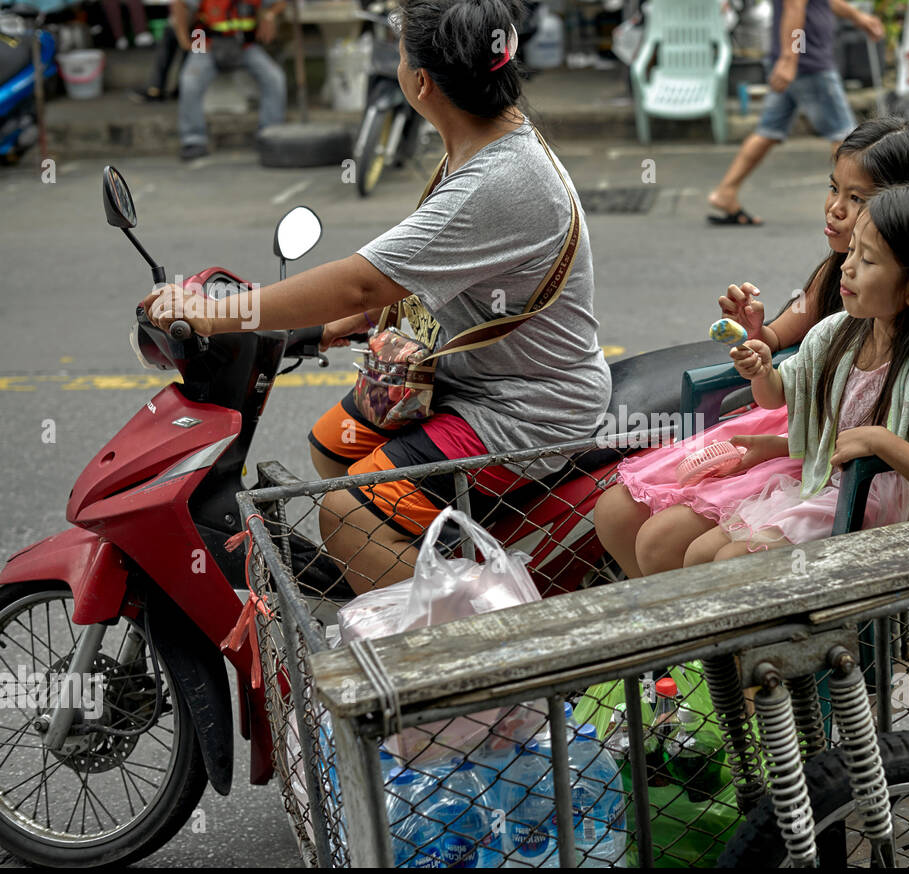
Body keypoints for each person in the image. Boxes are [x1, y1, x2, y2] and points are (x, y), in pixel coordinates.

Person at [145, 0, 611, 591]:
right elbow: (420, 277)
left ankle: (450, 656)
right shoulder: (488, 142)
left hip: (523, 409)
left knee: (346, 512)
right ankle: (430, 568)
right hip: (476, 379)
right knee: (331, 442)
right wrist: (350, 321)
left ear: (421, 81)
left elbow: (363, 278)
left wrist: (213, 316)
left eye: (398, 55)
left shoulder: (496, 180)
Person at [594, 116, 909, 577]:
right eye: (833, 188)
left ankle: (708, 641)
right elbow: (779, 342)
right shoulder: (836, 274)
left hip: (828, 451)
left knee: (664, 542)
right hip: (791, 414)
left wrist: (784, 444)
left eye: (857, 198)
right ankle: (678, 637)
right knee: (615, 512)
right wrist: (752, 332)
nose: (835, 209)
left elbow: (896, 438)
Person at [685, 184, 909, 564]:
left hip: (882, 511)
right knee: (700, 557)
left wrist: (881, 441)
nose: (847, 267)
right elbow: (777, 395)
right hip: (827, 486)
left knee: (731, 563)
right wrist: (762, 370)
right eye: (852, 250)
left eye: (867, 260)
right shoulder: (837, 332)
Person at [706, 0, 885, 226]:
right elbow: (794, 5)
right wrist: (790, 59)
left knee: (768, 131)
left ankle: (726, 191)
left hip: (797, 62)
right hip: (808, 63)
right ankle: (856, 205)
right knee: (845, 137)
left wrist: (858, 18)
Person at [173, 0, 287, 160]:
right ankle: (193, 140)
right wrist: (183, 38)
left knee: (275, 78)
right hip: (206, 43)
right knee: (189, 81)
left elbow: (280, 3)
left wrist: (269, 14)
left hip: (244, 46)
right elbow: (179, 4)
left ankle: (270, 134)